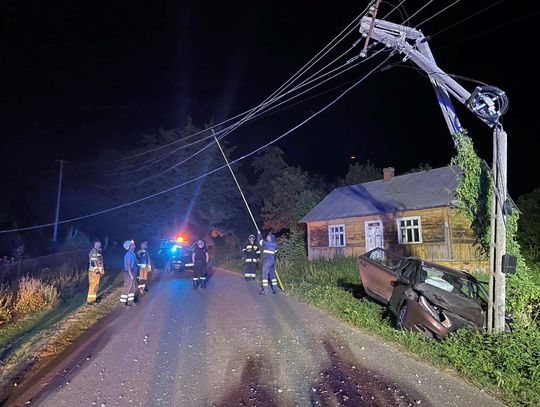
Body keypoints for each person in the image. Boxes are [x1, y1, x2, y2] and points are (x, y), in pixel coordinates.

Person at [257, 231, 278, 295]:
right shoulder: (275, 245)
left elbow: (260, 241)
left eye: (268, 237)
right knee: (272, 275)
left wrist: (259, 234)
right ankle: (275, 289)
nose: (267, 237)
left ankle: (265, 291)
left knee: (264, 274)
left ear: (271, 238)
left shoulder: (266, 243)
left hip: (267, 261)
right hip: (272, 261)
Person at [87, 239, 105, 305]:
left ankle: (93, 299)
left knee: (96, 286)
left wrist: (101, 271)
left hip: (97, 273)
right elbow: (93, 262)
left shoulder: (98, 252)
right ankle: (90, 301)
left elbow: (100, 263)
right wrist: (97, 271)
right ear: (94, 244)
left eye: (99, 244)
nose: (99, 245)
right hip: (94, 272)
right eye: (97, 244)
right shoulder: (93, 251)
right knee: (93, 286)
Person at [121, 240, 138, 306]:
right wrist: (131, 275)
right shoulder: (129, 254)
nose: (134, 245)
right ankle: (122, 303)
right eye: (132, 244)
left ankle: (130, 301)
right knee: (127, 288)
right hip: (129, 273)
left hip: (132, 273)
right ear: (130, 246)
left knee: (132, 288)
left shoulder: (132, 253)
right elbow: (128, 265)